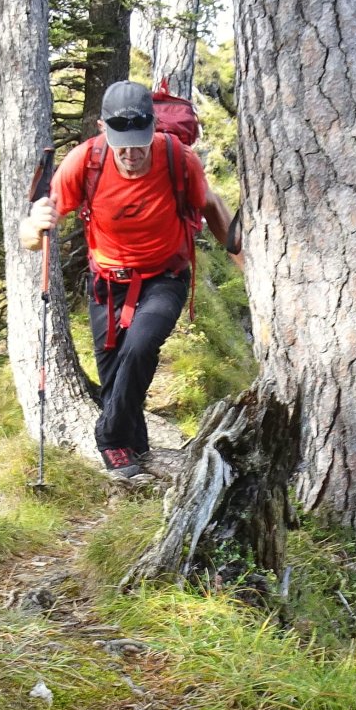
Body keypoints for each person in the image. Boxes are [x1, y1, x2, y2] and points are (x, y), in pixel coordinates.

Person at [20, 80, 238, 480]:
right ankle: (136, 453)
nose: (132, 154)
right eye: (123, 145)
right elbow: (33, 240)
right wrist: (34, 226)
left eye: (140, 143)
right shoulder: (85, 162)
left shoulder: (177, 157)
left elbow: (211, 204)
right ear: (103, 129)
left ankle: (108, 439)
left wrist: (245, 262)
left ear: (154, 127)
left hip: (165, 277)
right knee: (115, 376)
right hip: (106, 284)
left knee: (140, 347)